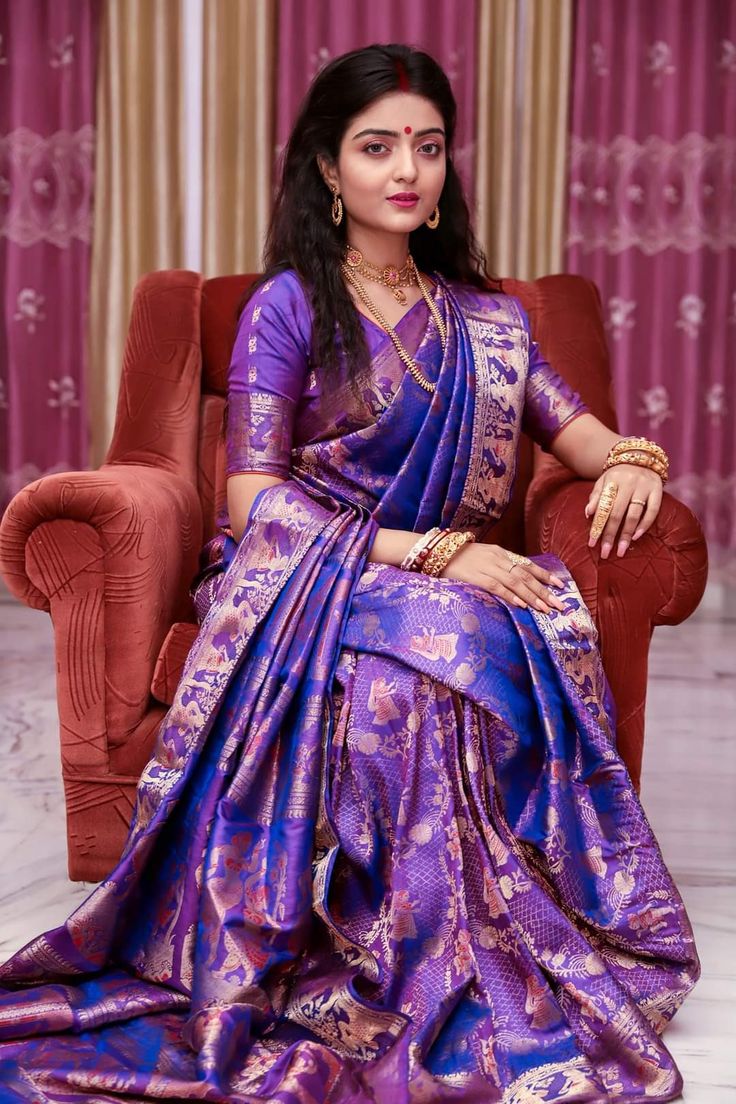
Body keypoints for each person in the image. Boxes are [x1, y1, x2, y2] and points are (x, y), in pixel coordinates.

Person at [0, 43, 698, 1104]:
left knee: (472, 630)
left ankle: (443, 949)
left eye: (426, 145)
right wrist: (433, 551)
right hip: (305, 574)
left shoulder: (490, 324)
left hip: (445, 584)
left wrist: (633, 468)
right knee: (446, 638)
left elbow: (590, 438)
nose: (406, 168)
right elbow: (252, 499)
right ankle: (389, 953)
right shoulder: (287, 308)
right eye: (376, 147)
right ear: (329, 168)